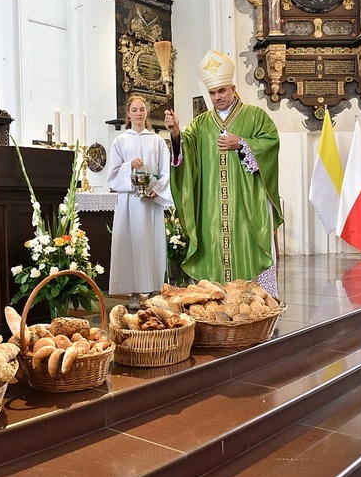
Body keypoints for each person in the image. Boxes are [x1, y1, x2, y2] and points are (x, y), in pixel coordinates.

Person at [164, 50, 283, 297]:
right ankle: (215, 302)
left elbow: (271, 143)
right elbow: (187, 154)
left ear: (233, 88)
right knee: (213, 255)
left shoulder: (255, 116)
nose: (217, 97)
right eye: (213, 93)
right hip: (212, 207)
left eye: (222, 91)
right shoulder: (201, 123)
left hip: (247, 202)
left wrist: (242, 143)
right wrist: (176, 134)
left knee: (249, 250)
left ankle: (257, 304)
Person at [107, 95, 173, 308]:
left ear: (147, 112)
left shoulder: (156, 141)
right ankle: (134, 293)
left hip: (150, 202)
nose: (138, 113)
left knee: (151, 244)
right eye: (134, 110)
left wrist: (158, 189)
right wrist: (129, 166)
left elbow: (165, 171)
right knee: (129, 244)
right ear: (128, 114)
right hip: (128, 203)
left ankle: (154, 291)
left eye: (142, 109)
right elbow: (113, 174)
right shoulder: (120, 141)